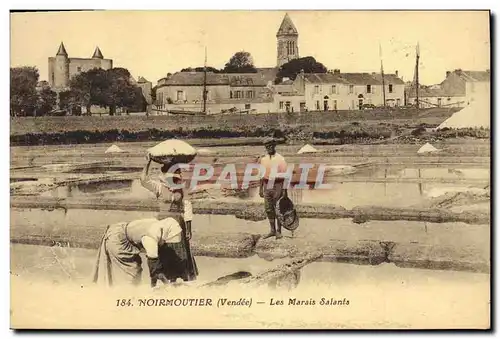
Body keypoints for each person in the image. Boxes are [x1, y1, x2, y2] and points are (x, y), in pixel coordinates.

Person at [140, 155, 199, 283]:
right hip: (162, 224)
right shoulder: (159, 187)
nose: (176, 174)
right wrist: (148, 162)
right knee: (165, 253)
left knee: (180, 255)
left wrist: (189, 228)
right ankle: (168, 282)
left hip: (178, 224)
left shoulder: (181, 188)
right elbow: (144, 180)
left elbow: (187, 207)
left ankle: (182, 281)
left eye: (177, 172)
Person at [92, 217, 183, 287]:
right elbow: (154, 267)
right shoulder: (151, 237)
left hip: (121, 232)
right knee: (131, 272)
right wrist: (164, 284)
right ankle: (125, 294)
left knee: (134, 269)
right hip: (118, 240)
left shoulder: (157, 224)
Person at [259, 137, 288, 239]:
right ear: (265, 148)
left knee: (278, 208)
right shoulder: (263, 159)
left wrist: (284, 191)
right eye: (267, 146)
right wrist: (260, 189)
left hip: (278, 184)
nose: (269, 148)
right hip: (267, 185)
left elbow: (285, 176)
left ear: (274, 146)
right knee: (268, 209)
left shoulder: (280, 159)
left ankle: (279, 231)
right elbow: (262, 175)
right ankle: (272, 230)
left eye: (271, 145)